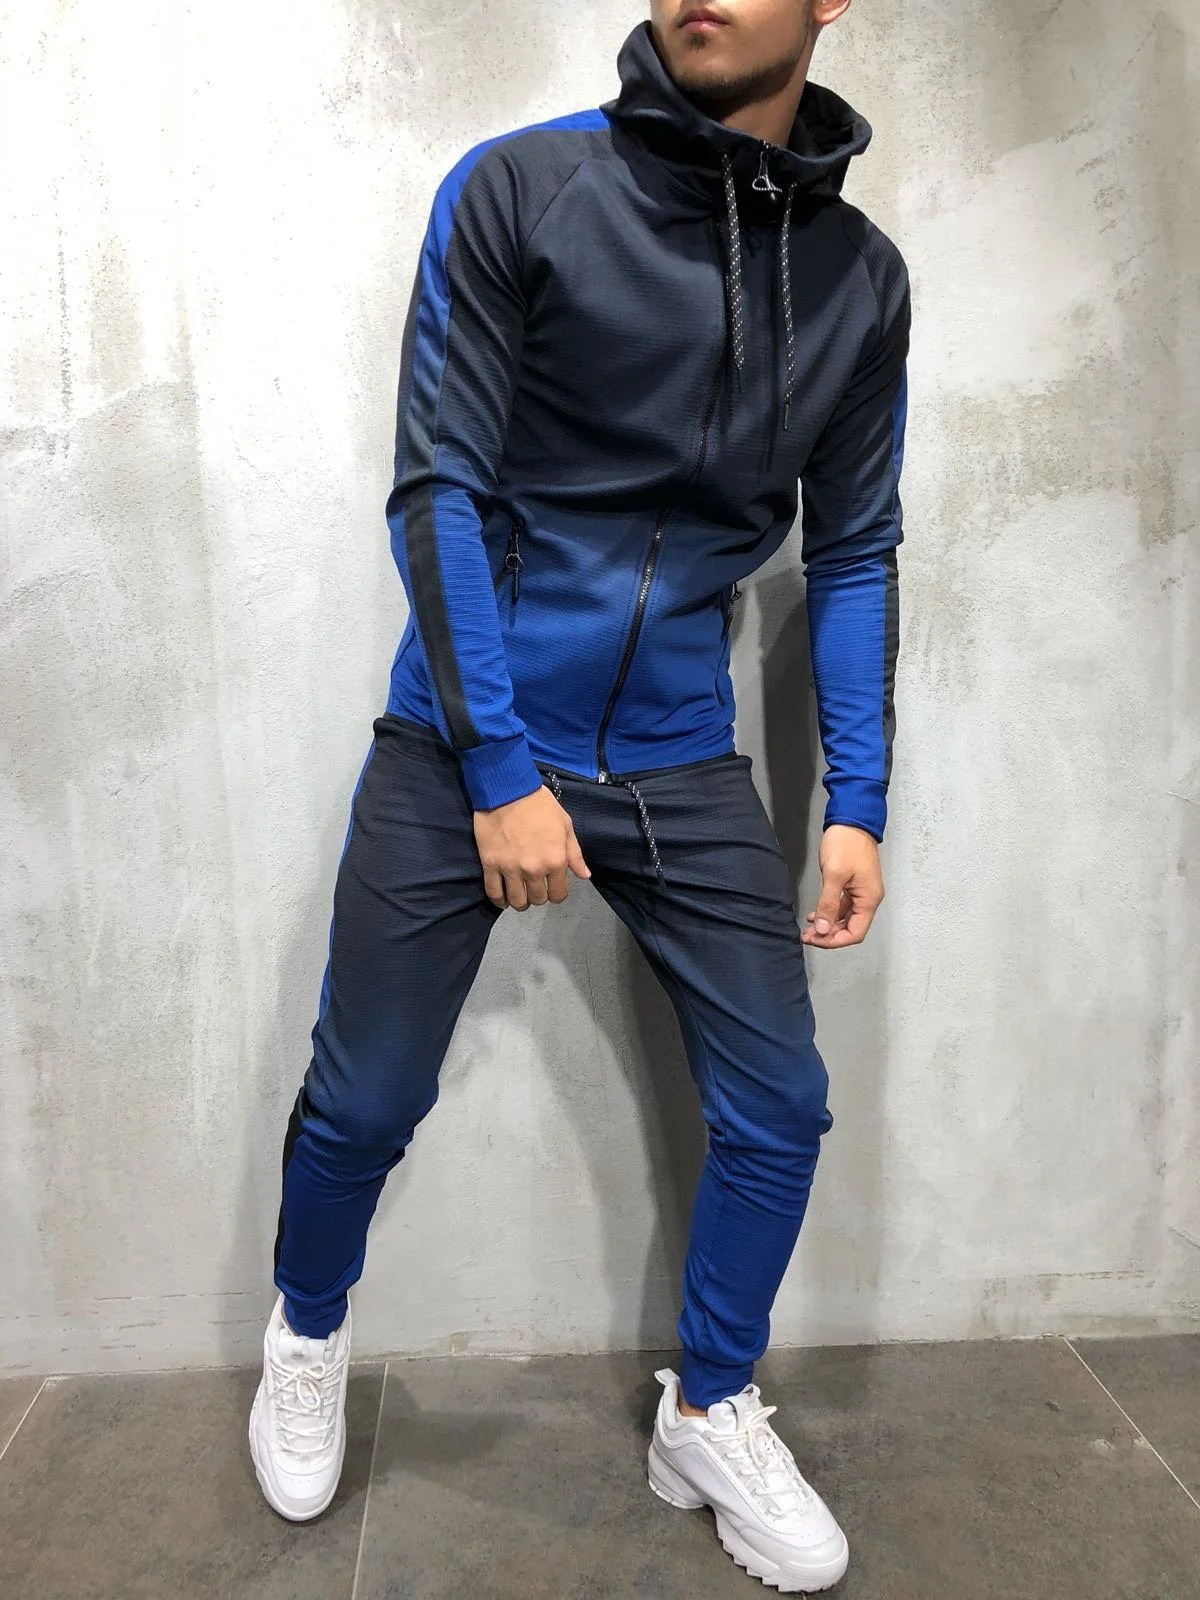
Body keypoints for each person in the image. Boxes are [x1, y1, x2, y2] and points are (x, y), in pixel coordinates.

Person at [249, 0, 908, 1590]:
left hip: (678, 749)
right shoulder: (523, 189)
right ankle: (308, 1332)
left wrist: (858, 798)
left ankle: (711, 1405)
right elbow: (440, 487)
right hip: (468, 738)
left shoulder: (860, 278)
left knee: (782, 1107)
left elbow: (857, 546)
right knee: (366, 1098)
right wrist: (498, 770)